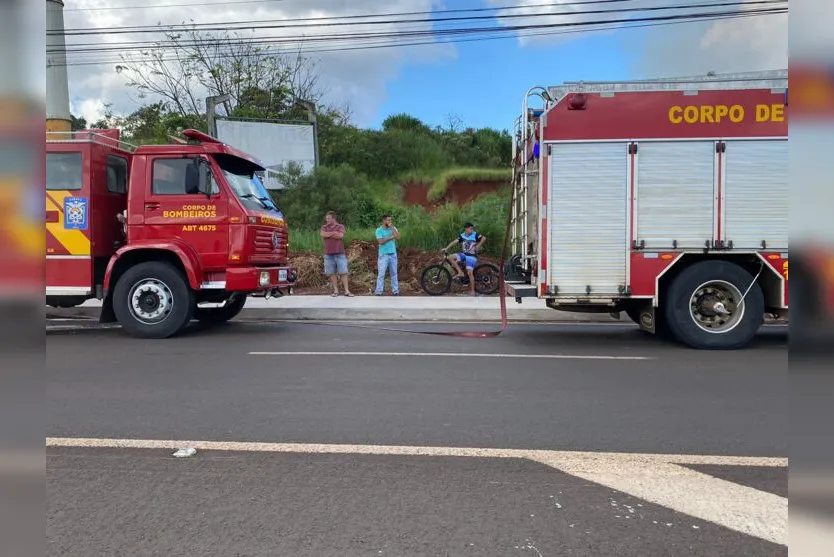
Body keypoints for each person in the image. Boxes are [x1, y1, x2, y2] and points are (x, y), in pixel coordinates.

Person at [443, 222, 486, 296]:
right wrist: (446, 248)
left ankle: (472, 291)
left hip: (472, 256)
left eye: (472, 229)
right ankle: (460, 272)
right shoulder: (462, 236)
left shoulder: (475, 234)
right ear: (466, 229)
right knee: (449, 257)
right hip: (464, 254)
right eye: (470, 228)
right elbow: (454, 242)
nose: (471, 230)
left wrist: (478, 246)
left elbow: (484, 238)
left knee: (470, 273)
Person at [320, 211, 353, 297]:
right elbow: (323, 234)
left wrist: (329, 235)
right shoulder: (324, 227)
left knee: (343, 272)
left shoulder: (340, 226)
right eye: (326, 218)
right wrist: (333, 233)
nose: (327, 220)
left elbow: (340, 236)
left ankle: (346, 291)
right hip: (328, 254)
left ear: (333, 218)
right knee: (331, 272)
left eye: (329, 218)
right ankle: (336, 291)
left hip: (340, 253)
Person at [374, 214, 400, 296]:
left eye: (390, 220)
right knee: (381, 273)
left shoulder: (393, 228)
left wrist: (392, 228)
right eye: (388, 220)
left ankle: (395, 290)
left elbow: (398, 237)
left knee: (394, 273)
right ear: (384, 221)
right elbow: (380, 241)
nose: (390, 222)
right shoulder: (379, 230)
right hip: (383, 255)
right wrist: (391, 237)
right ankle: (378, 291)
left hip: (393, 254)